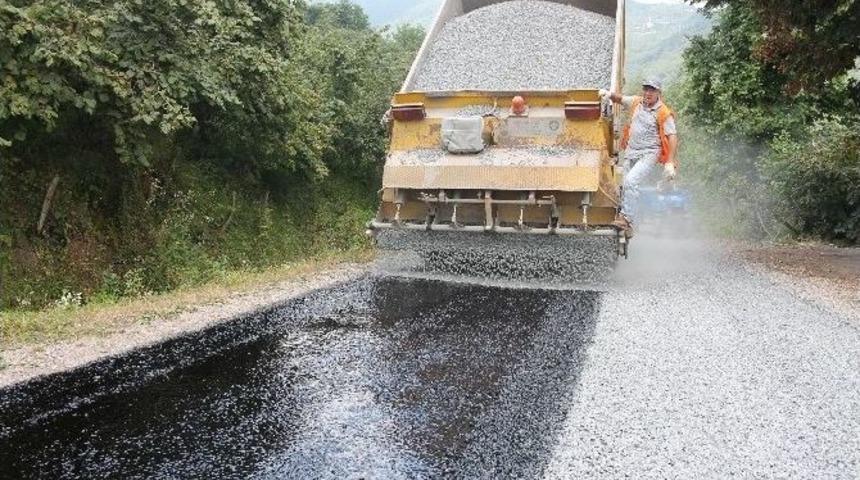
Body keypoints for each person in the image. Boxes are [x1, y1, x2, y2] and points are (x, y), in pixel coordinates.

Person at [599, 79, 678, 235]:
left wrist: (670, 161)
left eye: (652, 91)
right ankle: (627, 221)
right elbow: (620, 99)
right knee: (625, 186)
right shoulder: (636, 102)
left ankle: (626, 218)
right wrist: (608, 95)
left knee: (631, 181)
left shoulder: (663, 112)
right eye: (646, 90)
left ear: (658, 93)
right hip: (631, 151)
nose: (648, 93)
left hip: (649, 153)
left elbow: (672, 136)